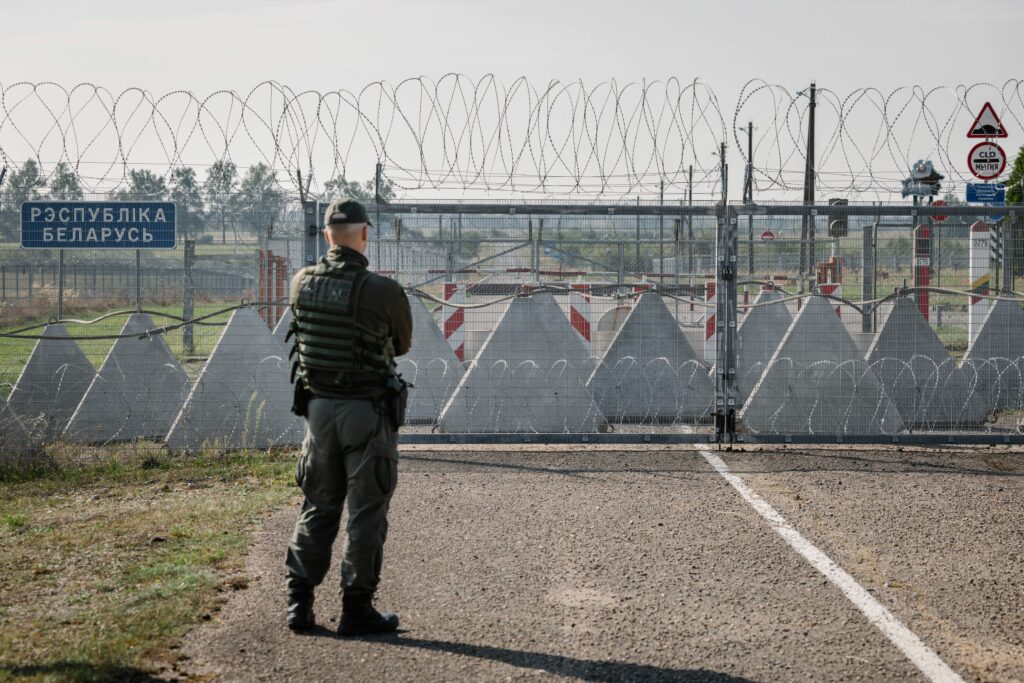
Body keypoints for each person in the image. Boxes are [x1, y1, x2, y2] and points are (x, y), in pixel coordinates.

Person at [284, 198, 412, 636]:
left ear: (326, 236)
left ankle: (298, 604)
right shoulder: (383, 291)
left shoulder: (300, 282)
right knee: (365, 511)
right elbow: (402, 344)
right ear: (365, 234)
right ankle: (356, 608)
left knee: (318, 504)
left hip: (317, 413)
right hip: (365, 412)